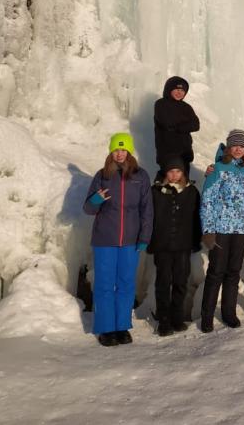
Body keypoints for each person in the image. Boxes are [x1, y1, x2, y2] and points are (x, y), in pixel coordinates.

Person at [83, 133, 153, 347]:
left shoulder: (140, 176)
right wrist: (97, 199)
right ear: (111, 152)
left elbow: (147, 210)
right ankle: (106, 328)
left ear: (129, 151)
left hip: (130, 241)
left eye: (123, 149)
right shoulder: (102, 175)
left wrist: (144, 237)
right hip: (105, 239)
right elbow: (88, 208)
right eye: (116, 149)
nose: (120, 153)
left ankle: (122, 326)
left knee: (125, 284)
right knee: (104, 285)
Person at [199, 130, 244, 331]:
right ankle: (207, 316)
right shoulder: (218, 168)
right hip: (221, 228)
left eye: (242, 146)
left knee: (233, 272)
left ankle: (229, 313)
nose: (238, 149)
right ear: (229, 147)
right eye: (235, 145)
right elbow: (208, 199)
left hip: (241, 230)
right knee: (216, 272)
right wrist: (208, 229)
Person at [149, 155, 201, 336]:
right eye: (171, 171)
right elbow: (149, 218)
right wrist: (150, 242)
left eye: (178, 171)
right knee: (163, 283)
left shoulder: (191, 191)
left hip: (183, 245)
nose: (174, 175)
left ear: (183, 172)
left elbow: (196, 219)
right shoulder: (155, 191)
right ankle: (163, 319)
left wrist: (196, 241)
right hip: (162, 245)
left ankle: (177, 317)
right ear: (165, 172)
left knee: (180, 281)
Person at [153, 76, 200, 180]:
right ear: (169, 89)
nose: (180, 93)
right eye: (177, 89)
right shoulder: (161, 104)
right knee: (166, 184)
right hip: (167, 153)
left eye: (183, 90)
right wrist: (185, 124)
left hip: (185, 153)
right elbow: (167, 123)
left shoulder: (186, 107)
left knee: (184, 184)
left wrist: (178, 127)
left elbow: (196, 125)